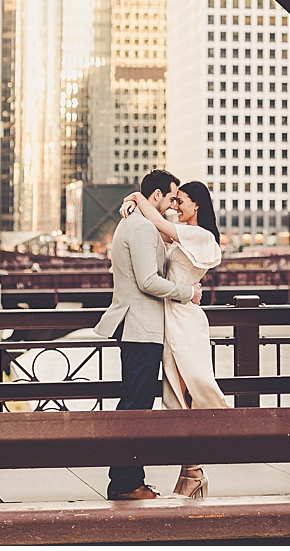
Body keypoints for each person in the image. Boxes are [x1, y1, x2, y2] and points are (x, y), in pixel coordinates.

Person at [90, 169, 200, 503]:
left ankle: (127, 478)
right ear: (156, 196)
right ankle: (124, 482)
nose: (171, 203)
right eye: (169, 197)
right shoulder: (140, 228)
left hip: (141, 326)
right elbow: (148, 281)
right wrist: (187, 292)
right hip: (140, 327)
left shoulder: (140, 223)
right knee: (136, 406)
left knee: (136, 403)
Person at [120, 178, 230, 500]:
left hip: (184, 320)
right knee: (177, 399)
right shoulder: (184, 235)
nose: (174, 207)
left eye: (180, 202)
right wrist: (133, 203)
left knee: (193, 389)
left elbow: (155, 220)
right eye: (173, 200)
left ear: (197, 205)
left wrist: (137, 197)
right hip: (170, 320)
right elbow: (151, 229)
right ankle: (190, 472)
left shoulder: (201, 235)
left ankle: (196, 468)